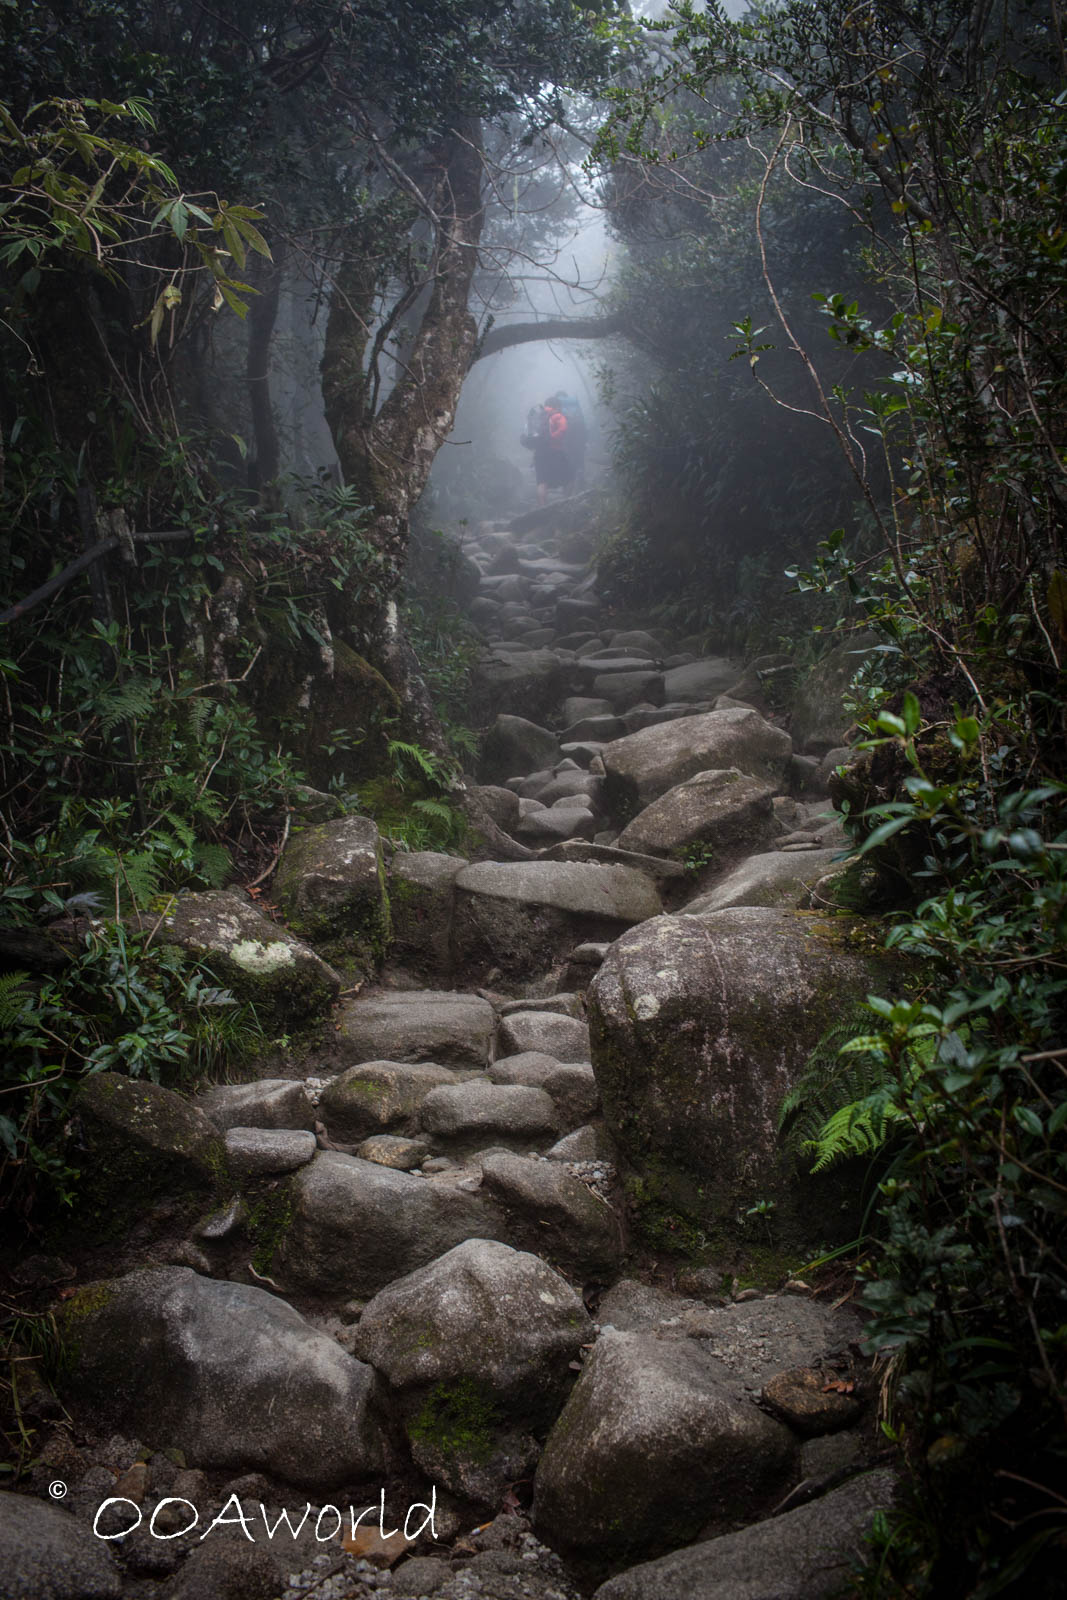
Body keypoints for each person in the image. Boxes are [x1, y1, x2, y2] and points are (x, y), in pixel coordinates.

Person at [521, 398, 575, 506]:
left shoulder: (536, 416)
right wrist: (553, 437)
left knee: (542, 482)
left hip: (539, 455)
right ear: (557, 406)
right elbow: (563, 428)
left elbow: (528, 435)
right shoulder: (557, 415)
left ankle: (542, 507)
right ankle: (567, 502)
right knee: (569, 478)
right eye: (560, 406)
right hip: (555, 452)